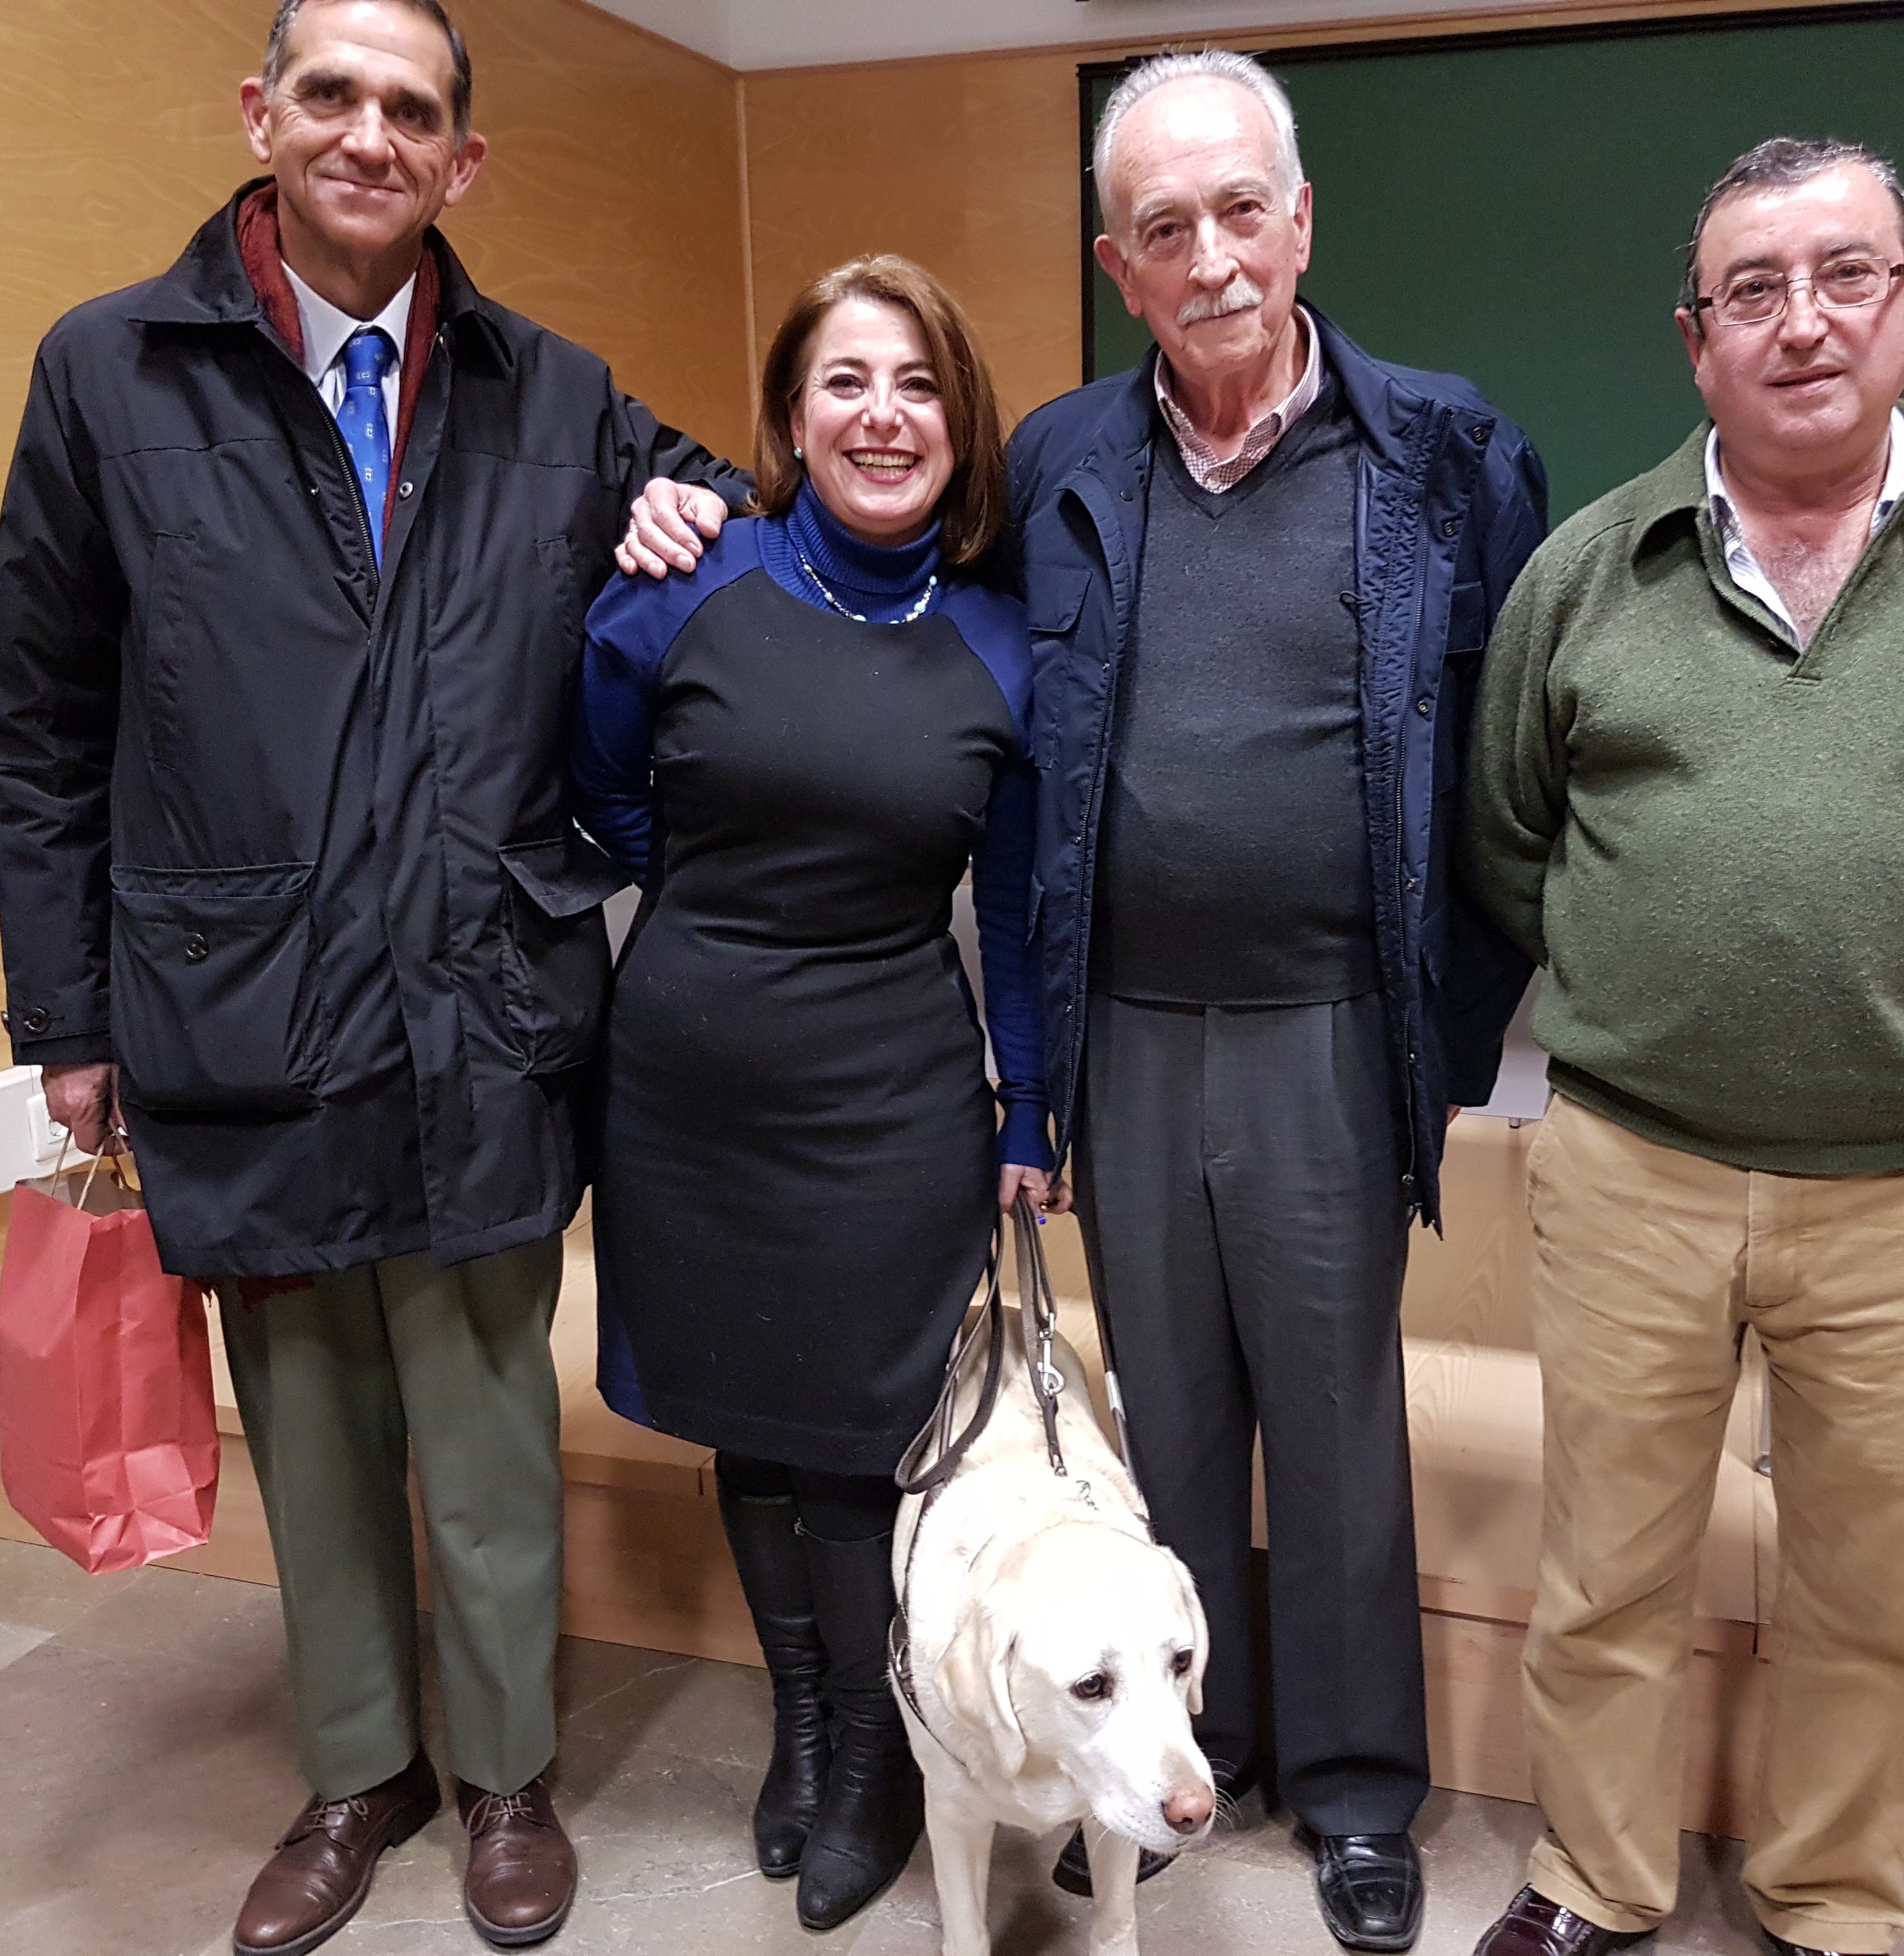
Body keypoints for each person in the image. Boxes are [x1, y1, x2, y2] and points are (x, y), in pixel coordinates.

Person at [619, 54, 1545, 1951]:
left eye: (1240, 212)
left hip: (1323, 1020)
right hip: (1120, 1018)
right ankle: (1179, 1752)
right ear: (1118, 265)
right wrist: (683, 509)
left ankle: (1359, 1789)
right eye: (1161, 228)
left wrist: (1447, 1041)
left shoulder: (1449, 450)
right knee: (1163, 1423)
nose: (1210, 259)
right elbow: (864, 570)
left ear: (1302, 222)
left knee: (1336, 1412)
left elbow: (1510, 759)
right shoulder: (1056, 460)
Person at [0, 4, 747, 1950]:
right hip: (244, 1004)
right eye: (331, 94)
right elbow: (42, 722)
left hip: (483, 997)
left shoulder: (553, 392)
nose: (369, 134)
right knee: (312, 1434)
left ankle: (504, 1777)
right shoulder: (107, 372)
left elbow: (731, 496)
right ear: (262, 115)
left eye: (413, 109)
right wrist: (63, 1017)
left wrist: (690, 507)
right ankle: (355, 1774)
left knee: (487, 1433)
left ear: (461, 160)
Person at [1460, 139, 1904, 1956]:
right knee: (1607, 1573)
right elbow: (1508, 840)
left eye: (1846, 275)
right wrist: (1663, 992)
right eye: (1752, 291)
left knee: (1870, 1591)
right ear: (1695, 339)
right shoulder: (1588, 571)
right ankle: (1595, 1877)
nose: (1803, 323)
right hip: (1633, 1170)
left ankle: (1832, 1899)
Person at [568, 254, 1056, 1935]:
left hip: (891, 1100)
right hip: (688, 1092)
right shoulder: (679, 588)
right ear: (791, 415)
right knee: (748, 1426)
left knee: (855, 1441)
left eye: (918, 384)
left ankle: (874, 1761)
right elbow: (605, 792)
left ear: (959, 421)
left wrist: (1028, 1107)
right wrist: (721, 914)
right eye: (846, 381)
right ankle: (805, 1722)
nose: (882, 416)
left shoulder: (1004, 640)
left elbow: (1023, 906)